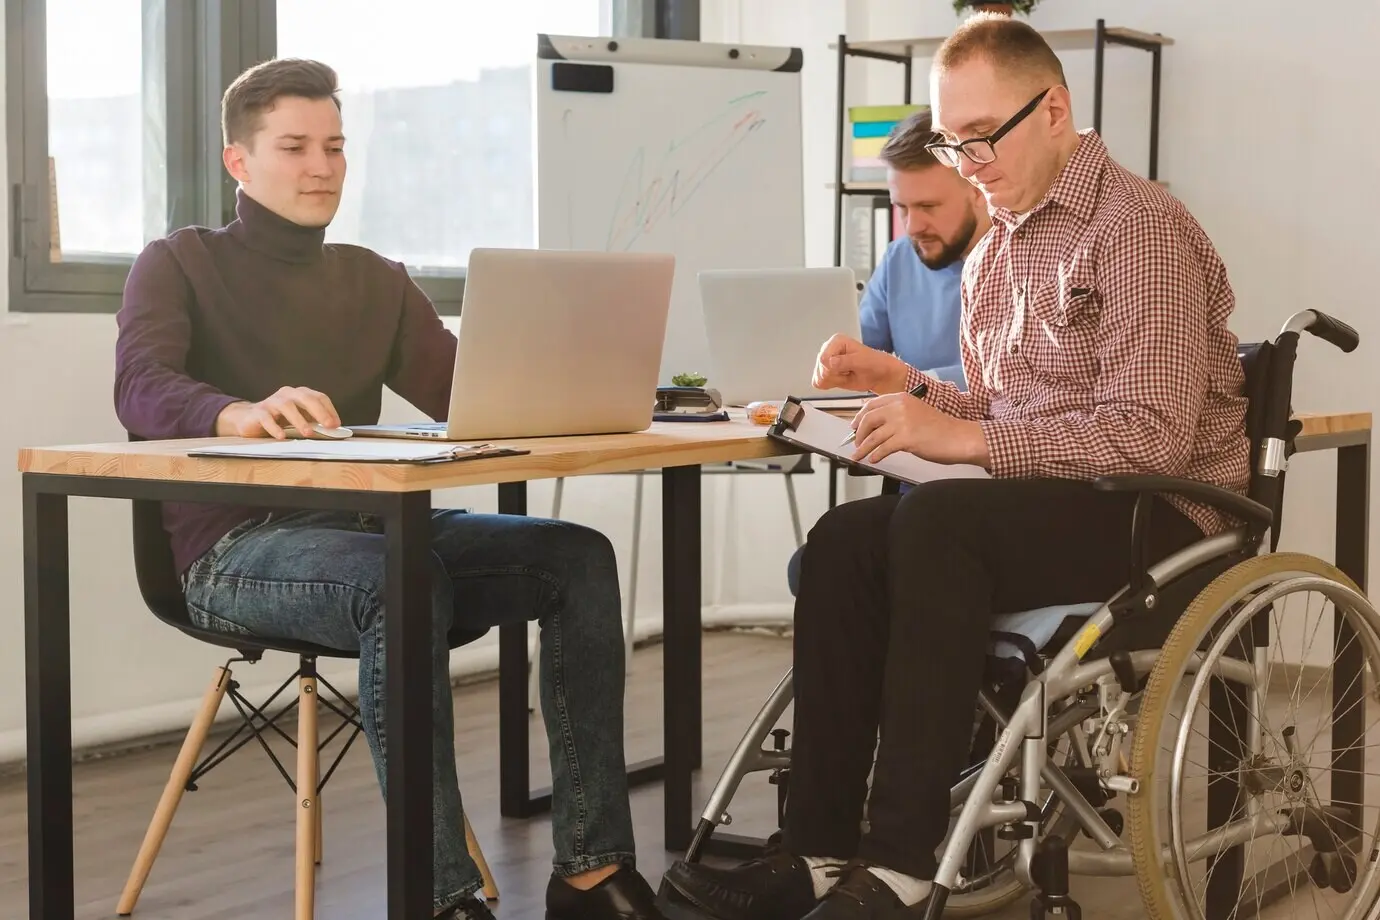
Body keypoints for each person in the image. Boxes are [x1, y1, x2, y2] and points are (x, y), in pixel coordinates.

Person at [660, 14, 1250, 920]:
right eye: (950, 139)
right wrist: (901, 387)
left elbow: (1149, 437)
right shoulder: (998, 252)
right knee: (844, 538)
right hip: (1049, 501)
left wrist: (965, 441)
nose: (966, 162)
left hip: (1159, 514)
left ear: (1054, 110)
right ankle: (816, 850)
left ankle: (896, 865)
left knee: (934, 523)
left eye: (981, 138)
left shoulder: (1140, 231)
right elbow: (1004, 409)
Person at [114, 58, 667, 920]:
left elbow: (463, 393)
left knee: (576, 556)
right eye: (295, 147)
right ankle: (440, 895)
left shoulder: (374, 279)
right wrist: (234, 411)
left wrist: (580, 378)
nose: (322, 166)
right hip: (233, 552)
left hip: (374, 532)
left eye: (334, 146)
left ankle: (591, 872)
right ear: (238, 163)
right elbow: (139, 386)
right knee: (402, 582)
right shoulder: (178, 263)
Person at [784, 109, 989, 596]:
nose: (912, 225)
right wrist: (839, 365)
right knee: (817, 563)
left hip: (987, 483)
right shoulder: (901, 258)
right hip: (914, 480)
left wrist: (899, 378)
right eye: (902, 208)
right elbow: (864, 356)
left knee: (839, 566)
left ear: (977, 190)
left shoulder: (1019, 263)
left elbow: (1009, 386)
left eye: (929, 207)